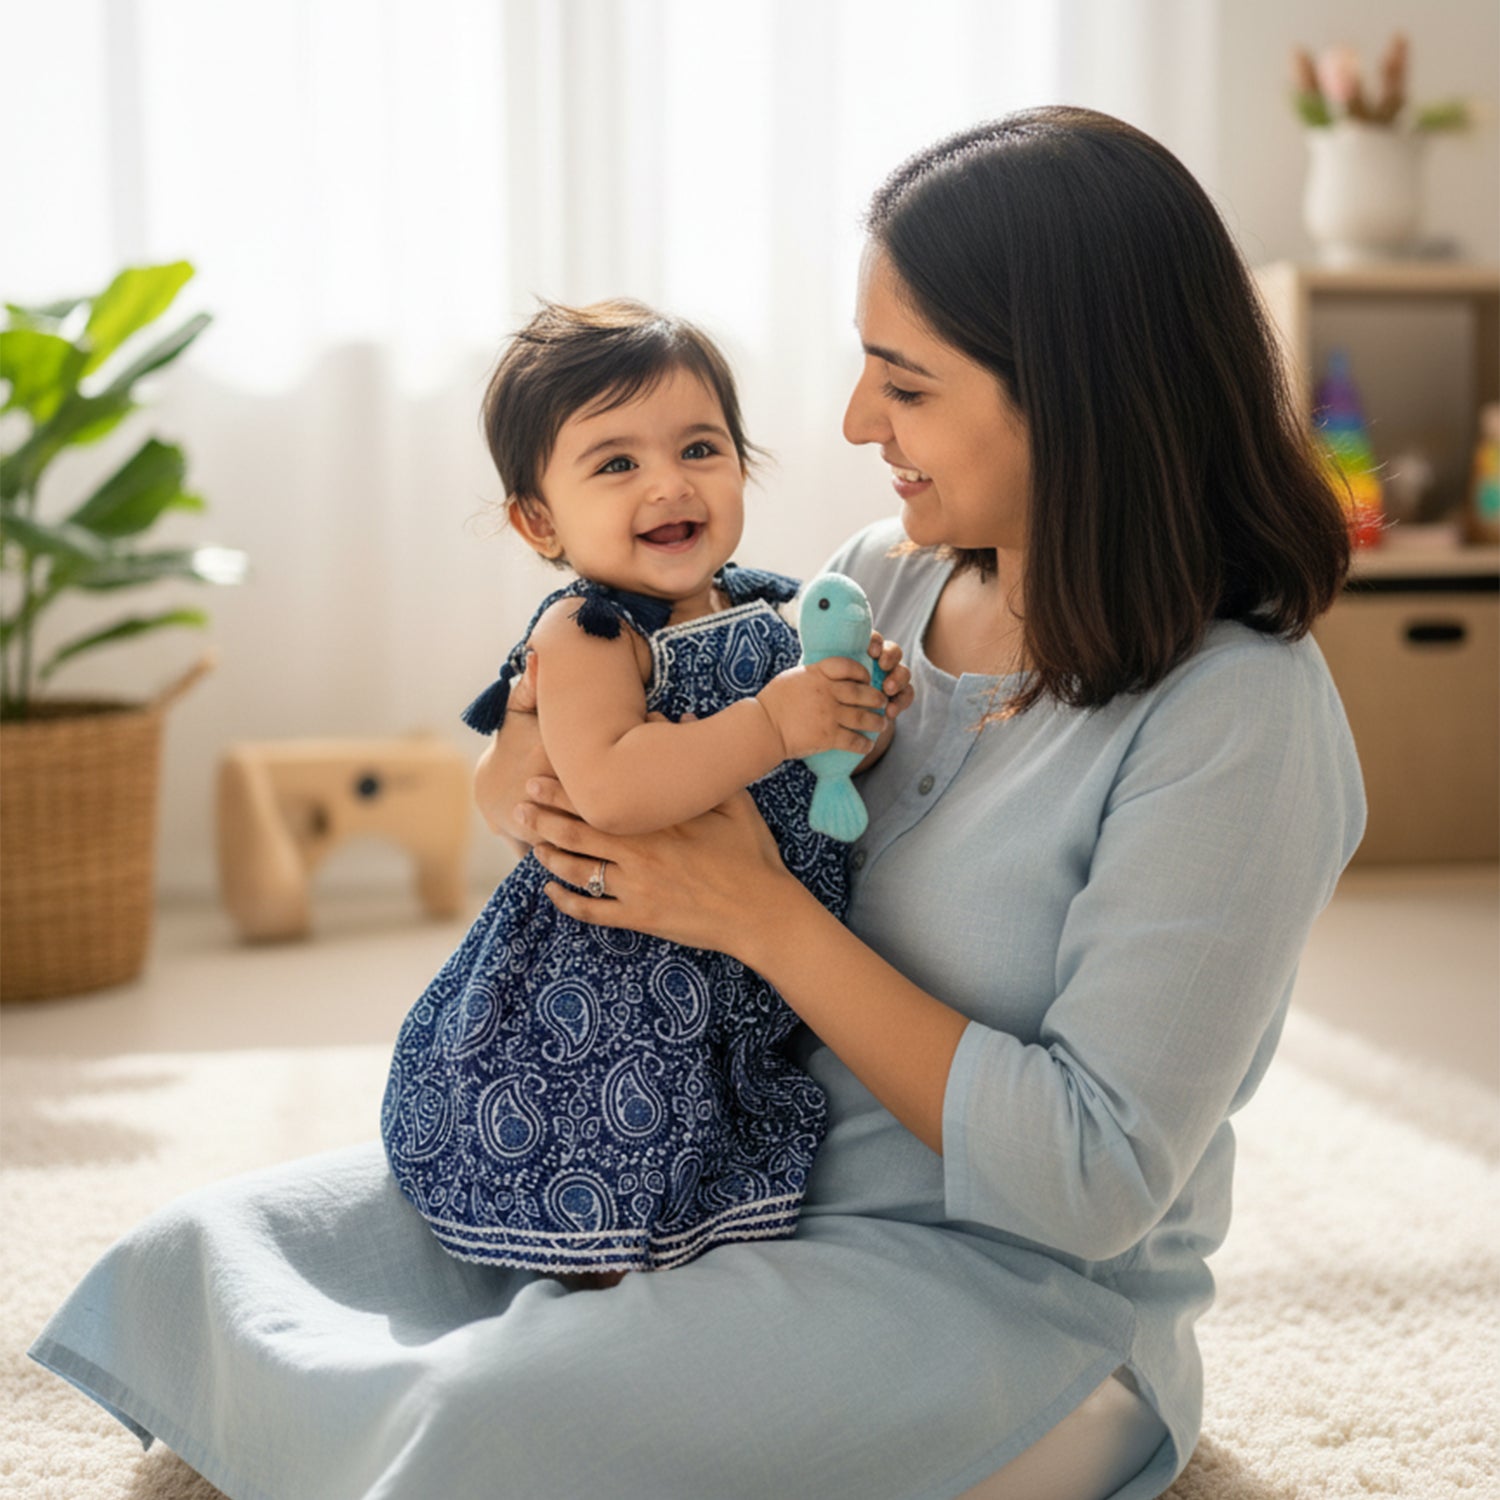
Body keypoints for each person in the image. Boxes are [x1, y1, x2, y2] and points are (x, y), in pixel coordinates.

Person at [30, 107, 1364, 1500]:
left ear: (1075, 391)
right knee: (213, 1254)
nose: (855, 425)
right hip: (717, 1162)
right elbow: (605, 747)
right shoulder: (882, 582)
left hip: (1006, 1290)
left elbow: (1095, 1180)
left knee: (488, 1430)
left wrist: (766, 921)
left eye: (904, 384)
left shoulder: (1236, 718)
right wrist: (550, 801)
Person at [381, 297, 910, 1283]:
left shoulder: (768, 604)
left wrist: (852, 714)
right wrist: (774, 722)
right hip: (610, 975)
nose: (668, 484)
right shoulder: (587, 637)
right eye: (617, 464)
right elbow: (617, 789)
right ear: (540, 518)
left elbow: (805, 770)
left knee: (719, 1131)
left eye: (700, 448)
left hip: (734, 954)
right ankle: (588, 1277)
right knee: (615, 1142)